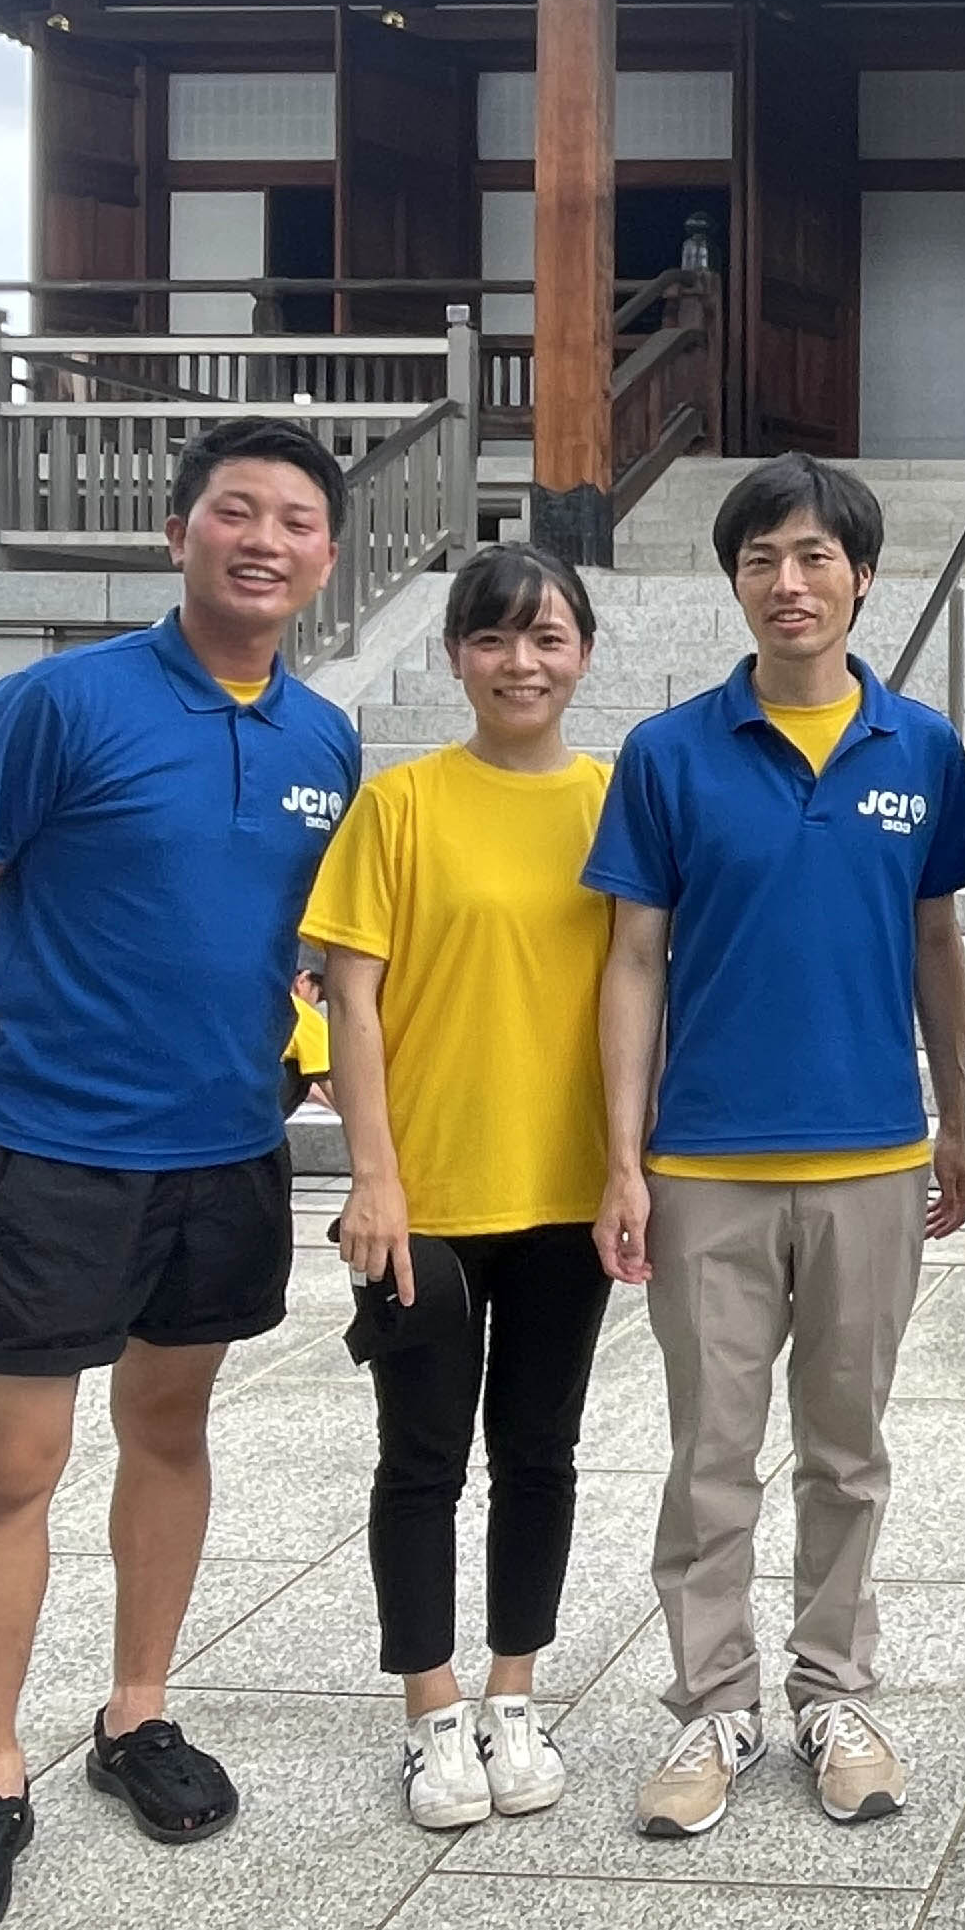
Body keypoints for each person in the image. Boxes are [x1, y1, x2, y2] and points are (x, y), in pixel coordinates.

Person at [0, 413, 362, 1930]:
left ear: (328, 559)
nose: (266, 540)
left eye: (297, 520)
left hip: (223, 1151)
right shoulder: (57, 705)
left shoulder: (323, 741)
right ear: (180, 534)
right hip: (56, 1151)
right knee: (15, 1462)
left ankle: (137, 1713)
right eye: (237, 511)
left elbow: (307, 948)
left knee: (171, 1429)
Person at [589, 455, 965, 1840]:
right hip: (707, 1159)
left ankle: (832, 1691)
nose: (790, 582)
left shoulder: (921, 750)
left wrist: (959, 1113)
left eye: (816, 556)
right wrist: (623, 1154)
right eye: (762, 558)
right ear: (736, 579)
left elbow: (940, 938)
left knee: (847, 1446)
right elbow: (633, 955)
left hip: (873, 1151)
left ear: (863, 576)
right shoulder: (669, 751)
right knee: (710, 1447)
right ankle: (712, 1705)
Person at [302, 544, 618, 1832]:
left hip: (568, 1193)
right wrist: (374, 1176)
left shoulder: (616, 803)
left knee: (540, 1452)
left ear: (583, 654)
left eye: (546, 639)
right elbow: (353, 1000)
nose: (521, 663)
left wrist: (629, 1172)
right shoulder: (402, 807)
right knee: (421, 1456)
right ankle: (432, 1710)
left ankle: (513, 1691)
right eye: (494, 640)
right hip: (427, 1194)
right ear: (454, 659)